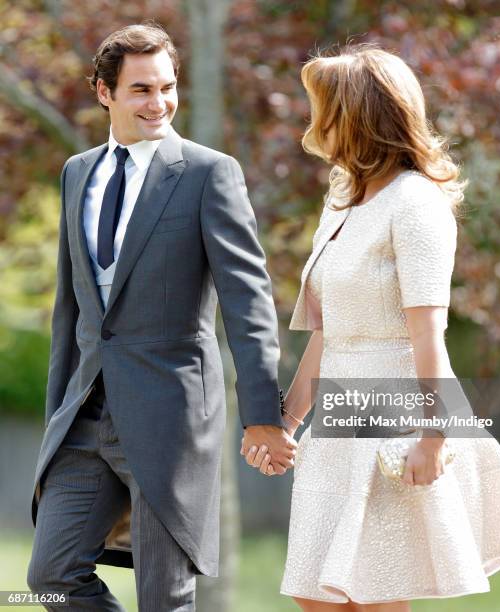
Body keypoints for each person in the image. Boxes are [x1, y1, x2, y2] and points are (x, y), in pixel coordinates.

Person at [242, 45, 500, 611]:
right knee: (316, 598)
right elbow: (326, 332)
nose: (314, 123)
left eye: (324, 109)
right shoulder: (341, 197)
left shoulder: (417, 204)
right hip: (340, 420)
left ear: (360, 116)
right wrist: (286, 421)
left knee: (376, 598)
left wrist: (435, 437)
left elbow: (427, 337)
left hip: (396, 413)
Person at [26, 23, 296, 611]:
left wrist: (261, 415)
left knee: (163, 597)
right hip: (85, 416)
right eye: (142, 90)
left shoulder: (208, 173)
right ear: (104, 92)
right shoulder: (77, 173)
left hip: (171, 419)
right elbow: (70, 312)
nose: (160, 103)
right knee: (50, 576)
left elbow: (247, 303)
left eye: (168, 87)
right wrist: (58, 414)